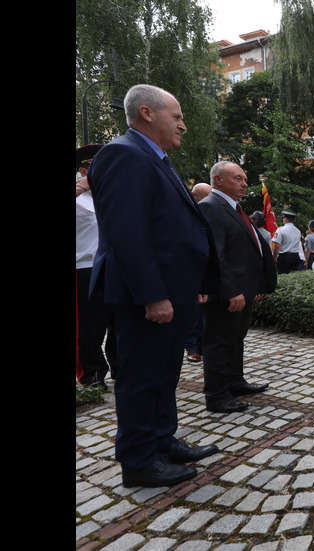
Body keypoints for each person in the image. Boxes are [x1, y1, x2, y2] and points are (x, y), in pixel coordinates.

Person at [87, 84, 218, 488]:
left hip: (172, 291)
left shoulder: (153, 157)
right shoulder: (123, 154)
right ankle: (139, 460)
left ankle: (162, 439)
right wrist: (152, 295)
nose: (183, 124)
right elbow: (127, 234)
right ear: (147, 113)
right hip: (148, 295)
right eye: (176, 116)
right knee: (142, 377)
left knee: (164, 373)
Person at [197, 161, 277, 413]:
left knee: (235, 339)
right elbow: (214, 254)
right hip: (227, 292)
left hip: (245, 289)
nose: (244, 183)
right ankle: (217, 395)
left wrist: (259, 284)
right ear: (218, 180)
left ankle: (235, 381)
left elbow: (248, 248)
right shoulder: (211, 207)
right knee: (219, 343)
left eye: (244, 178)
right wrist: (230, 290)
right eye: (237, 178)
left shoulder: (233, 207)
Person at [76, 144, 117, 388]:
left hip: (115, 265)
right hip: (85, 267)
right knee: (89, 325)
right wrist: (80, 188)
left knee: (119, 322)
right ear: (84, 171)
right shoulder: (80, 197)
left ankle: (120, 368)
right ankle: (91, 372)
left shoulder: (111, 195)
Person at [185, 183, 212, 363]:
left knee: (206, 312)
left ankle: (204, 345)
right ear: (195, 196)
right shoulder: (187, 213)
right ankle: (193, 346)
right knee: (193, 311)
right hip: (192, 268)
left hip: (207, 267)